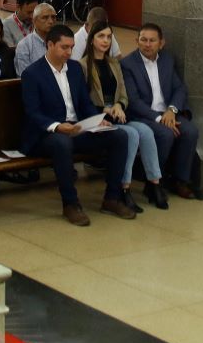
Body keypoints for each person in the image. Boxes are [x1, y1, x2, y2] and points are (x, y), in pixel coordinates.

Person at [20, 24, 133, 226]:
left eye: (71, 47)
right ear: (50, 45)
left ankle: (112, 198)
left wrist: (97, 120)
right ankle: (71, 204)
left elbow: (85, 104)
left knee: (119, 136)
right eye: (64, 47)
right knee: (62, 144)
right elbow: (32, 113)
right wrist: (57, 126)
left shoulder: (74, 69)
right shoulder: (33, 73)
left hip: (76, 128)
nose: (69, 52)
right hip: (46, 134)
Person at [80, 18, 156, 213]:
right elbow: (82, 100)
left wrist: (119, 104)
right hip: (98, 118)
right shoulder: (82, 66)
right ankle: (124, 187)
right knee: (130, 134)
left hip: (117, 114)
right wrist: (105, 108)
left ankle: (154, 182)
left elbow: (122, 92)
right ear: (91, 39)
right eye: (101, 36)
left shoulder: (114, 63)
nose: (105, 41)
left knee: (145, 131)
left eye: (109, 37)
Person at [119, 22, 199, 203]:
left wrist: (171, 110)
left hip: (168, 113)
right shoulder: (127, 64)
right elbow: (133, 100)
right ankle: (154, 181)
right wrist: (158, 117)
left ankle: (180, 180)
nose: (147, 44)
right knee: (165, 134)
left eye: (152, 41)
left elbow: (179, 88)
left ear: (161, 43)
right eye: (143, 40)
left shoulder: (167, 60)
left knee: (190, 132)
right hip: (144, 115)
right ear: (136, 41)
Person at [12, 2, 58, 75]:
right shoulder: (25, 45)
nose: (51, 21)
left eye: (53, 17)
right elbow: (25, 76)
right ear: (34, 21)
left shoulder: (60, 41)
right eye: (45, 17)